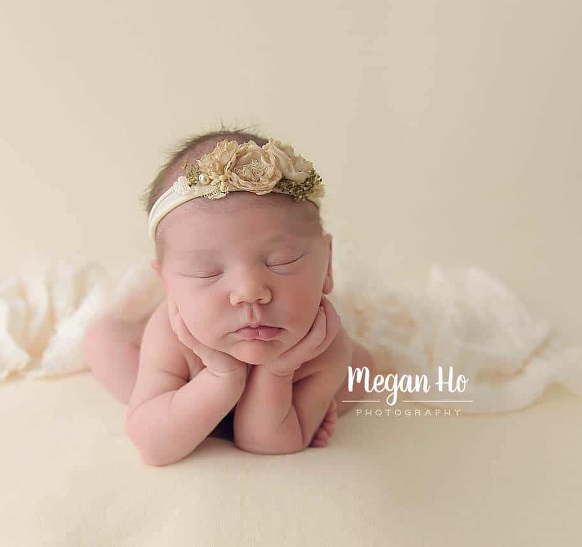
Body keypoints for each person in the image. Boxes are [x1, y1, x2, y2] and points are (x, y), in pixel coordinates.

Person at [82, 129, 375, 466]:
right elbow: (153, 447)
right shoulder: (171, 334)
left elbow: (270, 444)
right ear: (167, 283)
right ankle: (185, 410)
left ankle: (203, 414)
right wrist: (222, 376)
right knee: (102, 341)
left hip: (288, 392)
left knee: (363, 365)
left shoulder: (322, 341)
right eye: (207, 272)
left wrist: (280, 370)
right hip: (188, 378)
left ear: (327, 265)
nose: (249, 292)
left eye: (283, 261)